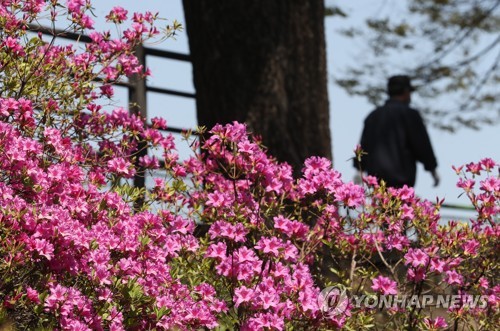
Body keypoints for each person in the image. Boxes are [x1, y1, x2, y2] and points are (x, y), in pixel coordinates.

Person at [354, 75, 439, 188]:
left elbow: (363, 147)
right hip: (402, 182)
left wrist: (358, 170)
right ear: (405, 91)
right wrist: (432, 170)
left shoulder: (373, 116)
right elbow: (422, 145)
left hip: (376, 181)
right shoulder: (410, 115)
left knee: (380, 205)